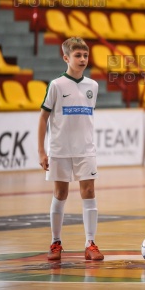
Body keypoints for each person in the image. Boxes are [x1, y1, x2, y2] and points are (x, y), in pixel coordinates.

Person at [37, 37, 104, 261]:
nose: (83, 59)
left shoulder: (92, 86)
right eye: (77, 55)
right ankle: (56, 242)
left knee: (89, 192)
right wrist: (41, 151)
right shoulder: (56, 85)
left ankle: (90, 243)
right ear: (66, 58)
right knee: (60, 193)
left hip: (86, 149)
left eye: (85, 55)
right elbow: (43, 118)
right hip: (60, 150)